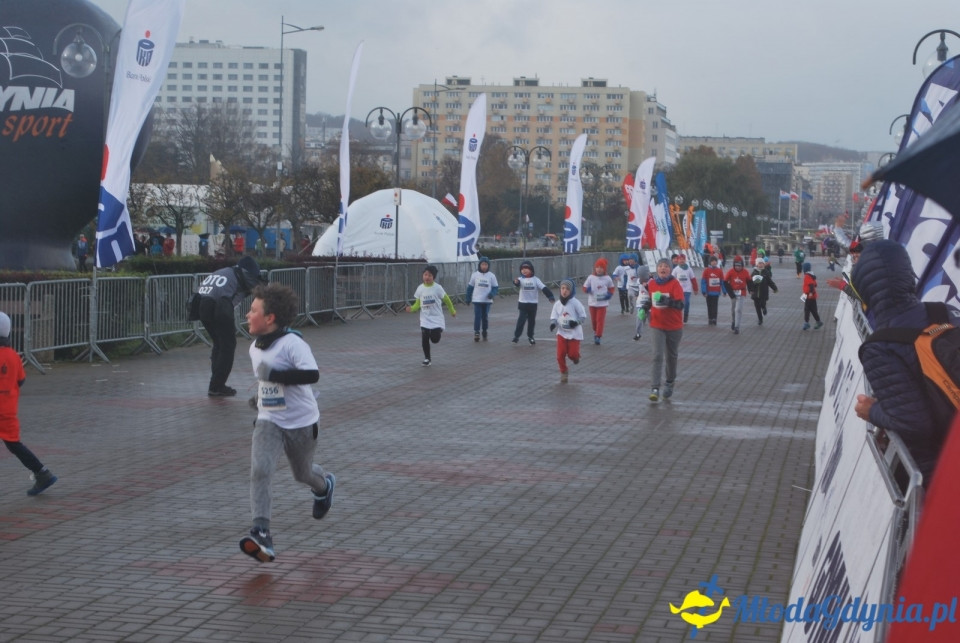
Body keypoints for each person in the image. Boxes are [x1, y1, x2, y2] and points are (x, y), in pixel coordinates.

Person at [239, 283, 335, 563]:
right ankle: (261, 532)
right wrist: (259, 398)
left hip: (302, 422)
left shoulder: (293, 343)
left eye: (253, 310)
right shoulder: (253, 348)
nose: (247, 314)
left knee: (302, 474)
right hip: (269, 421)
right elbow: (266, 381)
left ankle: (324, 486)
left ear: (269, 318)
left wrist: (277, 374)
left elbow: (311, 375)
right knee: (260, 469)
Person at [852, 240, 954, 486]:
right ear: (908, 275)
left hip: (937, 475)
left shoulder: (879, 347)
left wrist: (872, 411)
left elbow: (915, 423)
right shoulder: (945, 313)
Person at [0, 312, 58, 496]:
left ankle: (43, 474)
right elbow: (20, 381)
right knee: (14, 445)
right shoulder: (14, 356)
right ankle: (42, 473)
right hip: (8, 410)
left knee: (14, 445)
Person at [197, 256, 264, 396]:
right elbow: (255, 287)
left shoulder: (224, 272)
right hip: (220, 306)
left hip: (202, 305)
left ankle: (215, 383)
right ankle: (217, 386)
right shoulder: (244, 274)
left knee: (218, 344)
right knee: (228, 346)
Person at [644, 258, 685, 402]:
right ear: (657, 269)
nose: (663, 268)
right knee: (657, 355)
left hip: (674, 326)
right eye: (660, 266)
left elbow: (680, 305)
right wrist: (644, 309)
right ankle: (655, 387)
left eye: (666, 266)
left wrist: (666, 301)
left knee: (671, 356)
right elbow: (650, 300)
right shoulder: (652, 283)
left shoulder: (675, 284)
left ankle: (669, 381)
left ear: (670, 269)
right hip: (657, 325)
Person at [406, 265, 456, 366]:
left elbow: (446, 300)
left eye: (429, 275)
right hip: (425, 318)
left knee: (434, 339)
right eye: (425, 275)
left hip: (436, 318)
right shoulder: (420, 288)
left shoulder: (438, 288)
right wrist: (412, 309)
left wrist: (452, 310)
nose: (427, 277)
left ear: (433, 277)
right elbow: (417, 303)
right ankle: (427, 359)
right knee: (424, 338)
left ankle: (438, 331)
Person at [550, 278, 587, 383]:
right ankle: (564, 371)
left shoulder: (575, 303)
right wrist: (553, 324)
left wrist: (576, 322)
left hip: (574, 334)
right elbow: (554, 316)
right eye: (562, 288)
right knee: (560, 355)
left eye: (567, 289)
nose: (564, 291)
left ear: (571, 291)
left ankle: (576, 357)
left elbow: (583, 317)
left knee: (572, 354)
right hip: (562, 333)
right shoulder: (557, 304)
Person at [512, 260, 555, 345]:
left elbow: (544, 288)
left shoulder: (536, 280)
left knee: (531, 322)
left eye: (526, 269)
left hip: (532, 304)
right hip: (523, 304)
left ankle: (530, 336)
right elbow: (517, 283)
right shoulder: (521, 279)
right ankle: (516, 336)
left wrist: (550, 296)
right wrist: (515, 282)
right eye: (522, 269)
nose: (524, 270)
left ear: (531, 270)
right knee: (521, 320)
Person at [582, 257, 615, 345]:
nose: (599, 269)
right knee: (594, 321)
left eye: (601, 267)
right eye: (597, 267)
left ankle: (598, 336)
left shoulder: (607, 278)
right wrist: (587, 289)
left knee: (600, 320)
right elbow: (584, 287)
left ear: (604, 269)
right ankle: (595, 331)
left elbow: (611, 288)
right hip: (592, 303)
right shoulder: (591, 277)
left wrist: (609, 294)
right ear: (595, 268)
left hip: (602, 303)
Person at [466, 256, 499, 342]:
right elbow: (470, 287)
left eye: (486, 265)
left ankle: (484, 331)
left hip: (487, 300)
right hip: (477, 299)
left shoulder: (491, 276)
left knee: (485, 317)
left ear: (488, 265)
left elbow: (495, 287)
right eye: (482, 264)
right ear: (479, 265)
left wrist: (492, 294)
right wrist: (468, 298)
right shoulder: (475, 275)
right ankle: (476, 332)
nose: (484, 266)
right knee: (477, 316)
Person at [724, 255, 750, 334]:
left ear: (742, 265)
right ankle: (733, 321)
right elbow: (725, 282)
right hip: (733, 292)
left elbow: (749, 282)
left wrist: (751, 290)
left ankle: (737, 326)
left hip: (741, 292)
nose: (738, 267)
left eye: (739, 266)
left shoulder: (745, 272)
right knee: (733, 309)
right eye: (736, 266)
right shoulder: (731, 271)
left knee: (738, 310)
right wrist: (730, 293)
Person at [749, 257, 778, 325]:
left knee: (762, 303)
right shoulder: (754, 272)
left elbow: (770, 282)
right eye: (759, 263)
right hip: (755, 293)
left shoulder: (766, 272)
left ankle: (764, 308)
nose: (761, 264)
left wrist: (775, 288)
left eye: (762, 263)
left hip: (763, 292)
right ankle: (760, 319)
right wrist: (751, 289)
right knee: (757, 307)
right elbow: (750, 282)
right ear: (757, 264)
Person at [671, 254, 698, 323]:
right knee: (678, 304)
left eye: (683, 259)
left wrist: (695, 289)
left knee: (686, 303)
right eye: (680, 259)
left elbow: (693, 279)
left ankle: (686, 315)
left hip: (687, 290)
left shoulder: (689, 269)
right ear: (678, 260)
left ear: (685, 260)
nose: (681, 260)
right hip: (678, 290)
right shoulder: (676, 269)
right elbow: (671, 279)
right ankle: (678, 316)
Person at [700, 255, 726, 326]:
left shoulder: (719, 271)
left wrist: (724, 291)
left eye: (715, 261)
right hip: (708, 292)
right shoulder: (706, 271)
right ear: (710, 262)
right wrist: (704, 291)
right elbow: (703, 282)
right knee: (709, 306)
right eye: (712, 261)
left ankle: (714, 318)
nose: (714, 263)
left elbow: (722, 282)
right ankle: (710, 318)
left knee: (715, 306)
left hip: (716, 292)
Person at [630, 255, 650, 340]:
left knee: (652, 319)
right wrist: (636, 294)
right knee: (639, 318)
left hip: (649, 303)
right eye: (640, 275)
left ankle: (657, 332)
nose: (642, 277)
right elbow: (637, 289)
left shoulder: (651, 281)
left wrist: (647, 286)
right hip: (640, 302)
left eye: (643, 275)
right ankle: (638, 333)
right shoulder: (638, 281)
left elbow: (654, 291)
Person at [800, 262, 823, 330]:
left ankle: (807, 323)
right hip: (811, 296)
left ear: (805, 269)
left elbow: (812, 285)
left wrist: (810, 293)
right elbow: (815, 284)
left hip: (809, 296)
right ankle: (818, 322)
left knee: (807, 310)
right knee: (813, 310)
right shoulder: (811, 275)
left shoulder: (807, 276)